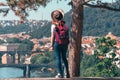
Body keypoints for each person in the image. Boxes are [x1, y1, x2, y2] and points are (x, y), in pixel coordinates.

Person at [50, 9, 70, 78]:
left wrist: (51, 45)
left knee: (58, 58)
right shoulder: (65, 25)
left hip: (57, 43)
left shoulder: (53, 26)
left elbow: (53, 36)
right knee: (64, 58)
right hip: (65, 43)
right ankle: (67, 73)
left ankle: (60, 74)